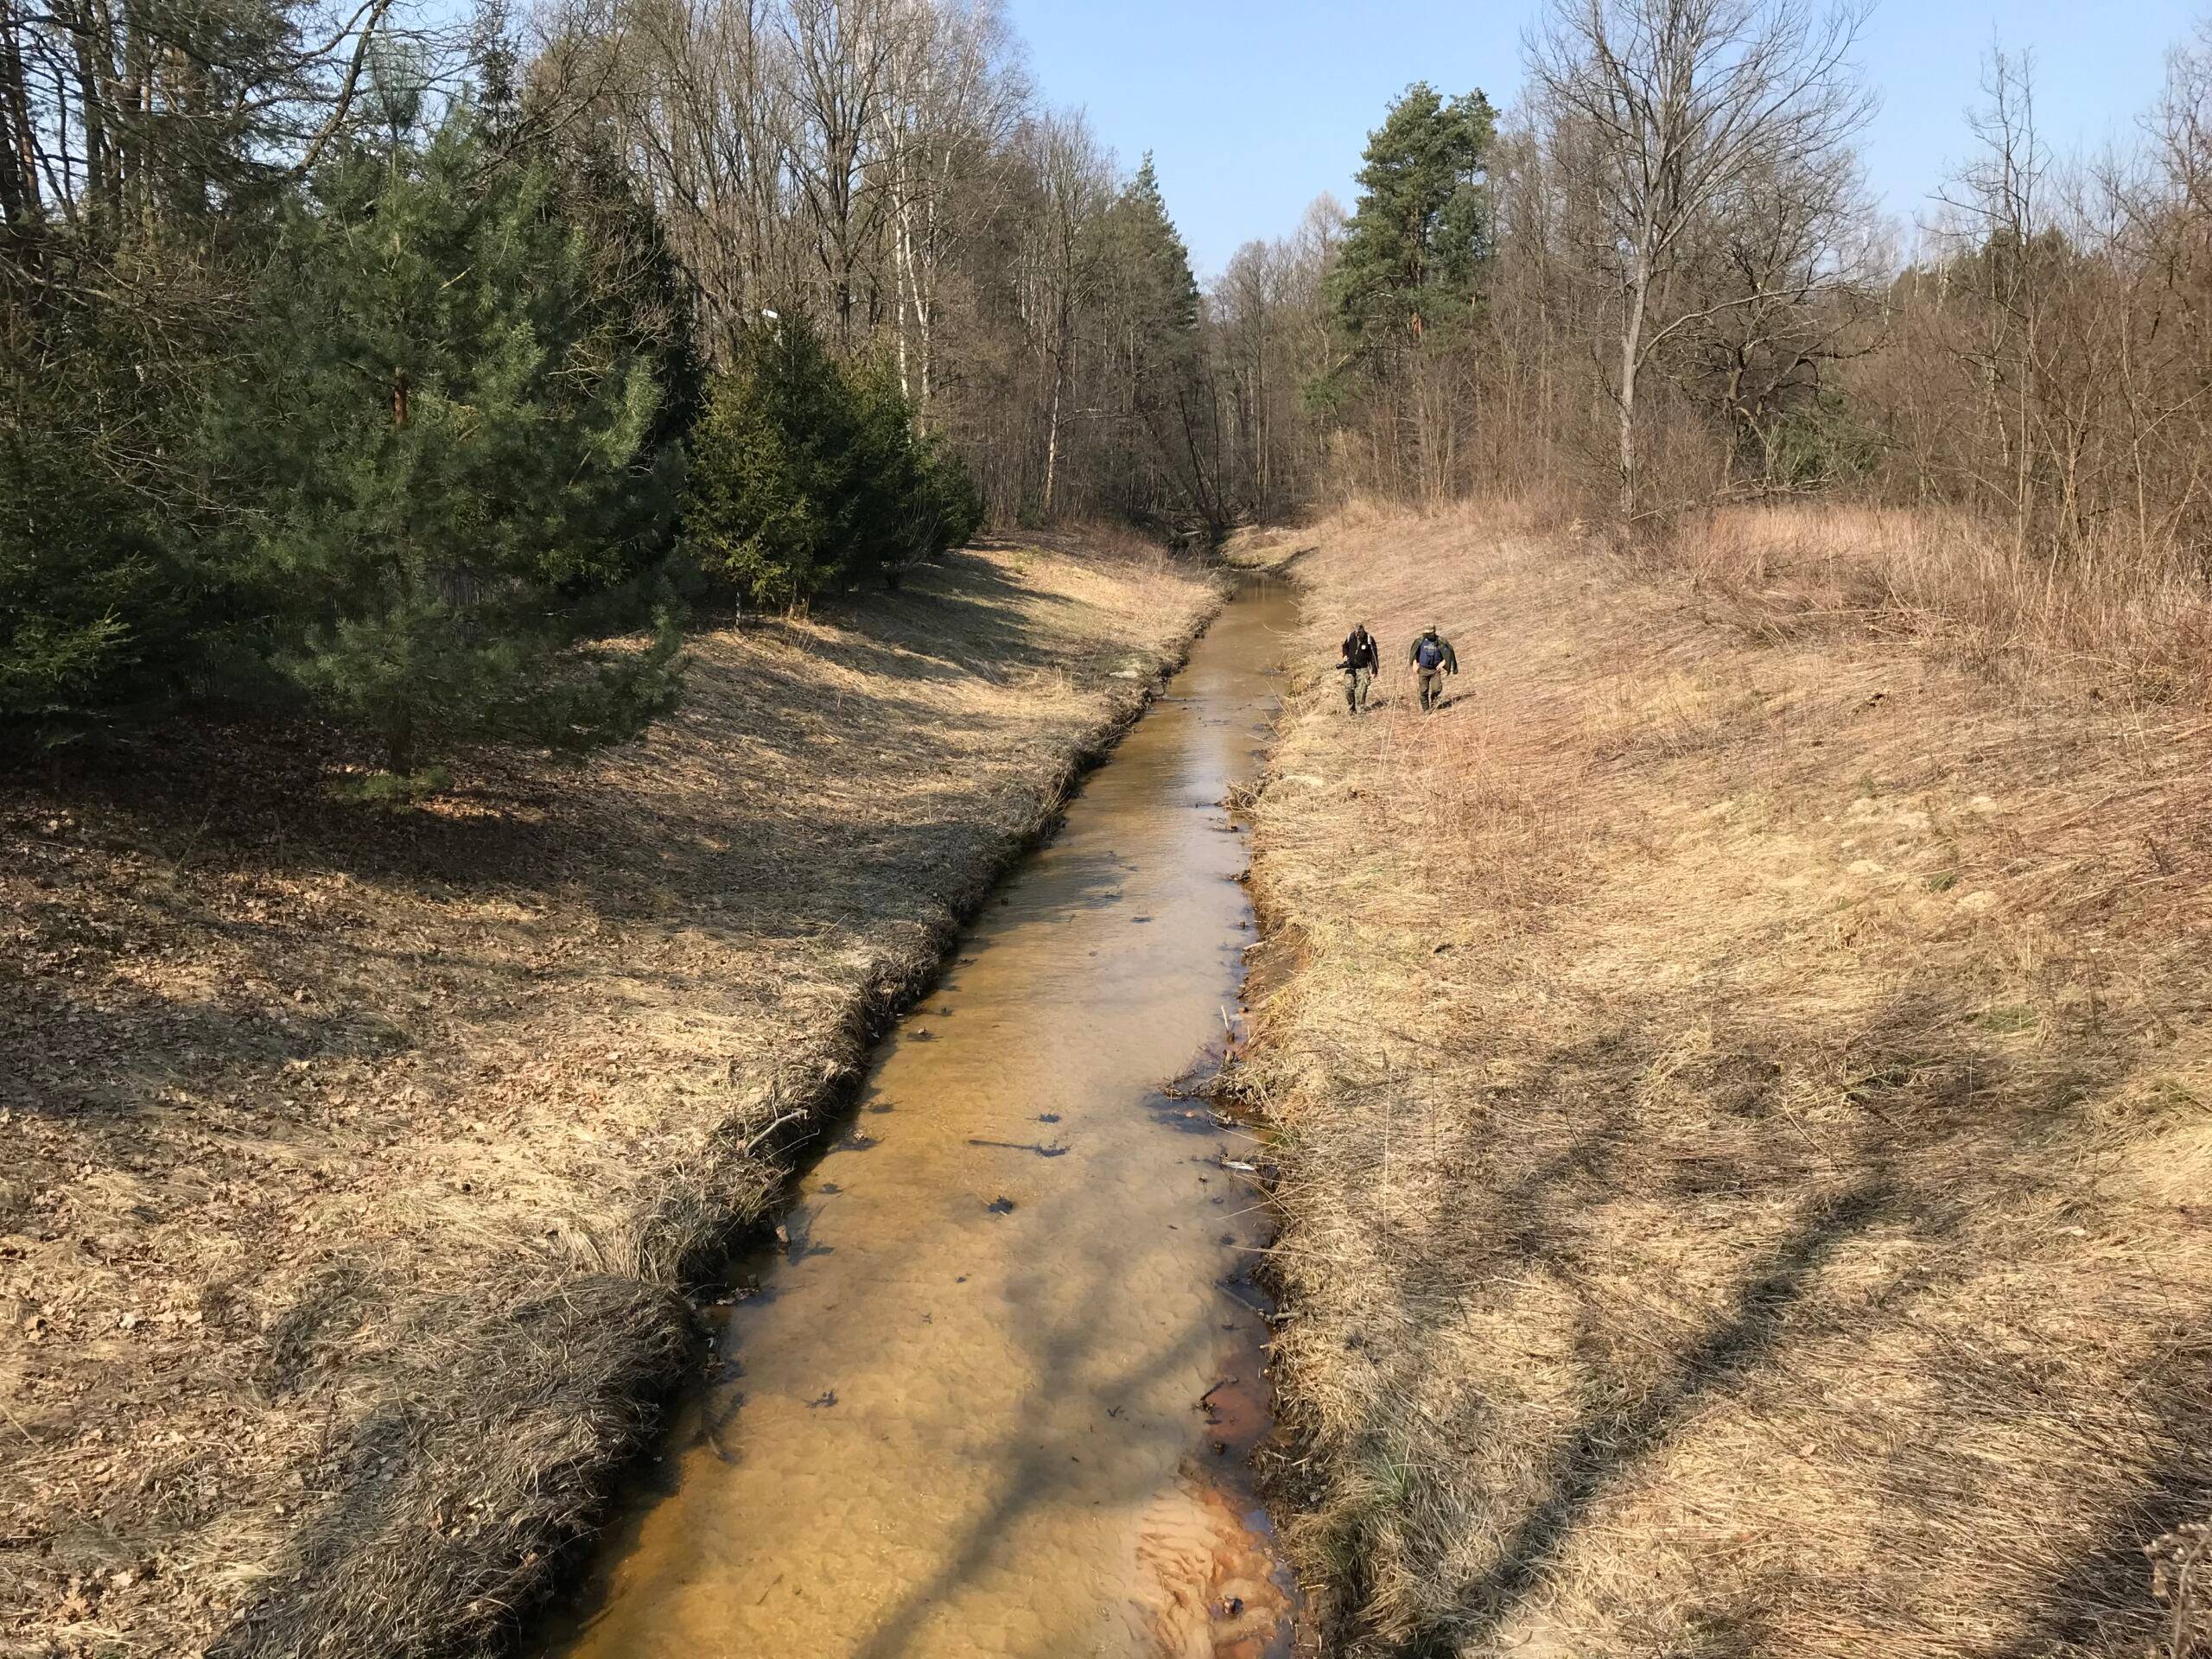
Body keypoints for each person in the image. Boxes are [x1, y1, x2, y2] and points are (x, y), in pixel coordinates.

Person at [1408, 624, 1459, 713]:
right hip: (1423, 669)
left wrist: (1444, 662)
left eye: (1429, 633)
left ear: (1433, 632)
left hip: (1435, 670)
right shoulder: (1420, 641)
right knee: (1423, 690)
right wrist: (1415, 663)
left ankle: (1433, 701)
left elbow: (1449, 651)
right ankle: (1426, 710)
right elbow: (1414, 653)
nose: (1427, 635)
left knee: (1437, 688)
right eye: (1426, 633)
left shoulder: (1440, 641)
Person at [1338, 622, 1380, 714]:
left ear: (1362, 630)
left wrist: (1374, 669)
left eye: (1359, 632)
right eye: (1356, 632)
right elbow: (1345, 646)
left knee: (1362, 689)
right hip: (1351, 667)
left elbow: (1374, 655)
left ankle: (1361, 709)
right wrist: (1345, 655)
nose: (1357, 634)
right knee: (1348, 688)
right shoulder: (1350, 637)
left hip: (1363, 668)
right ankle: (1351, 709)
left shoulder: (1369, 639)